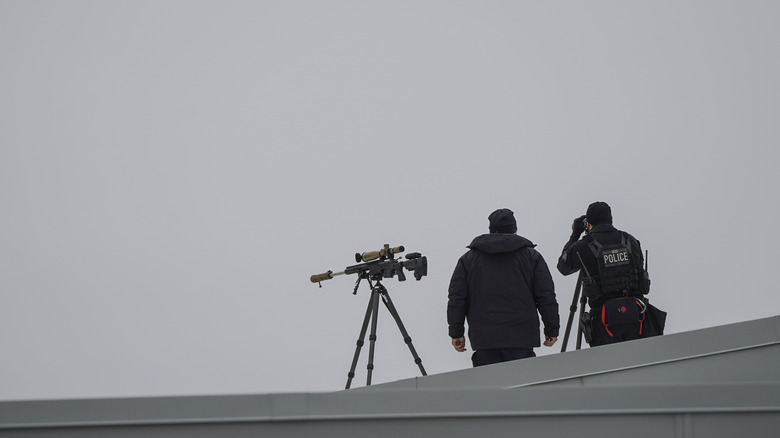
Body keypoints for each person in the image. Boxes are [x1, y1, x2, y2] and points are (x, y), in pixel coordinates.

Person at [447, 208, 560, 367]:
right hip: (522, 339)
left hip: (485, 340)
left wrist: (456, 332)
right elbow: (546, 296)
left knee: (490, 390)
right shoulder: (531, 257)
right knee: (523, 389)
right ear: (514, 229)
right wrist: (551, 329)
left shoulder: (468, 260)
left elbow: (457, 299)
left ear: (491, 230)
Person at [557, 201, 654, 346]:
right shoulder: (631, 241)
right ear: (611, 219)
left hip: (603, 321)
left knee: (607, 364)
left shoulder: (583, 246)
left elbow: (563, 267)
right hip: (637, 315)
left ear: (588, 223)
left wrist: (575, 233)